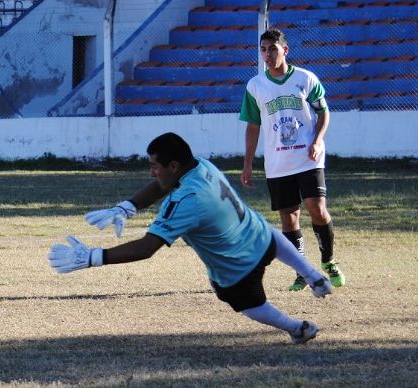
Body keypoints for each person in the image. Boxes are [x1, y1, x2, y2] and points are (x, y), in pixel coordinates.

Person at [48, 132, 333, 344]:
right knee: (270, 235)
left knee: (248, 304)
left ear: (173, 166)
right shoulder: (201, 166)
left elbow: (148, 247)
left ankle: (298, 328)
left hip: (236, 265)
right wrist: (129, 206)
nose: (151, 171)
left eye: (154, 166)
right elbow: (164, 184)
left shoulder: (187, 200)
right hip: (256, 234)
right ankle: (311, 274)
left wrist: (94, 258)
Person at [240, 27, 345, 292]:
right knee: (289, 219)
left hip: (308, 157)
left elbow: (324, 112)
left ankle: (329, 261)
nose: (267, 54)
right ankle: (302, 271)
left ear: (284, 50)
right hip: (277, 163)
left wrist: (318, 140)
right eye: (263, 49)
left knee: (316, 208)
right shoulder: (255, 86)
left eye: (272, 49)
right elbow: (253, 126)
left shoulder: (305, 78)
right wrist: (248, 163)